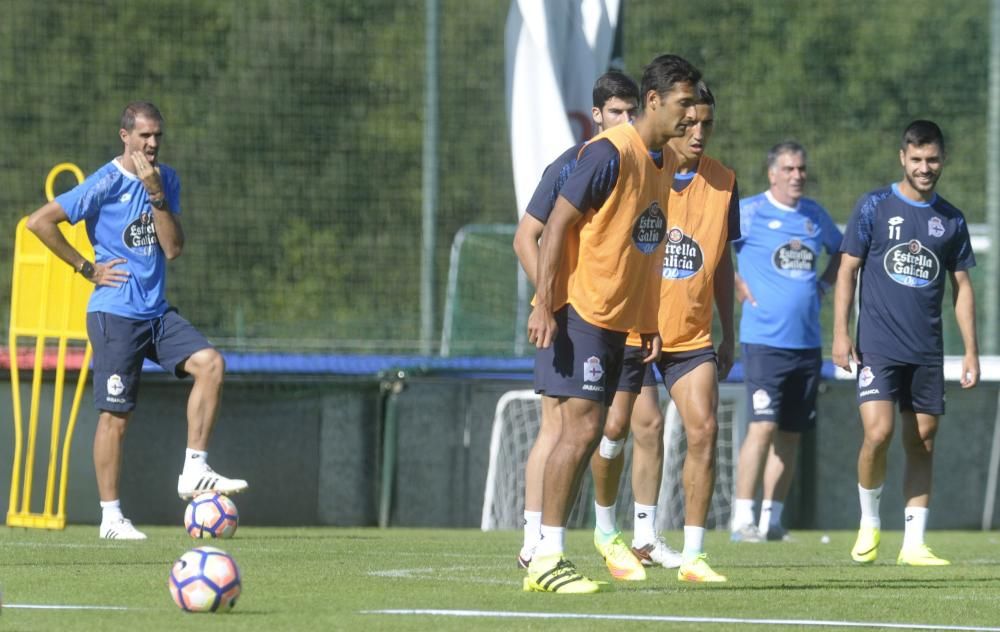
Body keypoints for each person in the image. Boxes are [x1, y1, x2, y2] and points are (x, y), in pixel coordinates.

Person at [26, 101, 248, 540]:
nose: (151, 144)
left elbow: (173, 249)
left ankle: (194, 470)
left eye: (157, 136)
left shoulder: (165, 181)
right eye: (144, 135)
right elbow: (39, 222)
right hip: (115, 314)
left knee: (211, 364)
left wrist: (156, 196)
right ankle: (111, 517)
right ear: (124, 136)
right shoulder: (104, 183)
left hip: (156, 312)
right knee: (116, 417)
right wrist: (87, 268)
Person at [523, 54, 701, 594]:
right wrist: (544, 301)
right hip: (582, 312)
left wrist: (646, 317)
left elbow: (646, 244)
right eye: (684, 104)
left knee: (586, 433)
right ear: (654, 101)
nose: (692, 116)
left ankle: (548, 551)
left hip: (618, 318)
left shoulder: (663, 161)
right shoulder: (607, 153)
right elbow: (554, 228)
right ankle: (545, 556)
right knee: (575, 432)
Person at [588, 82, 739, 584]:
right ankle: (609, 530)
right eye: (689, 121)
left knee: (705, 430)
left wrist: (729, 332)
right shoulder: (638, 169)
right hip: (635, 328)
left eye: (707, 125)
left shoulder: (724, 182)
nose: (697, 133)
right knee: (627, 430)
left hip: (692, 338)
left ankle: (689, 554)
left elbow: (721, 262)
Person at [832, 120, 978, 566]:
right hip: (878, 344)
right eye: (916, 159)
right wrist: (840, 332)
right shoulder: (874, 205)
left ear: (942, 159)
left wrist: (971, 350)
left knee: (924, 441)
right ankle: (870, 523)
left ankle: (913, 543)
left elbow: (963, 287)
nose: (924, 167)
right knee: (878, 432)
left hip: (927, 350)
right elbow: (846, 271)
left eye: (932, 159)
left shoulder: (951, 219)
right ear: (902, 158)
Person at [512, 71, 639, 569]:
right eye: (616, 113)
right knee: (557, 429)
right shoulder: (572, 164)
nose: (624, 121)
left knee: (583, 428)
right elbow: (527, 237)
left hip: (604, 313)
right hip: (566, 315)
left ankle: (546, 540)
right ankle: (534, 542)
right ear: (597, 116)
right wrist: (548, 298)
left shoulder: (630, 166)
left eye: (632, 113)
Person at [729, 142, 842, 543]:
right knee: (762, 426)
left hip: (807, 344)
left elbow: (844, 252)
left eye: (801, 169)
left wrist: (826, 286)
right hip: (764, 342)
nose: (797, 176)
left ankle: (771, 520)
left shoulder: (814, 216)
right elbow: (710, 248)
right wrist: (735, 282)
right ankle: (741, 519)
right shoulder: (750, 212)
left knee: (791, 434)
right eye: (789, 169)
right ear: (772, 174)